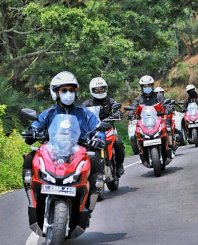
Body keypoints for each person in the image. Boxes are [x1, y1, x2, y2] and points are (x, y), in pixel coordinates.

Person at [22, 71, 105, 207]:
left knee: (96, 161)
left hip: (78, 151)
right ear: (56, 93)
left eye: (71, 90)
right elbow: (35, 125)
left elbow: (98, 127)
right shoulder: (48, 113)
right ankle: (32, 197)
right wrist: (32, 132)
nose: (69, 93)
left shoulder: (84, 113)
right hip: (52, 151)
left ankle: (90, 202)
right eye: (64, 90)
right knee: (29, 158)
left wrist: (98, 138)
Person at [82, 77, 125, 177]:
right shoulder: (87, 104)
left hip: (109, 128)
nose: (100, 91)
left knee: (118, 143)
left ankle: (119, 166)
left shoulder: (110, 101)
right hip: (93, 130)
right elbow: (81, 114)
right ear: (92, 90)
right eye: (97, 89)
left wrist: (117, 114)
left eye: (102, 88)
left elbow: (118, 110)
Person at [130, 75, 176, 160]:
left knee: (168, 128)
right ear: (141, 87)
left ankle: (170, 147)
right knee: (135, 134)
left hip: (158, 119)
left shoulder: (158, 96)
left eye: (149, 86)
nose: (147, 88)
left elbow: (165, 103)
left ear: (152, 86)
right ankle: (141, 153)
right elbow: (133, 107)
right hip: (144, 122)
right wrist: (131, 113)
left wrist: (168, 108)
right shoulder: (138, 99)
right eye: (145, 86)